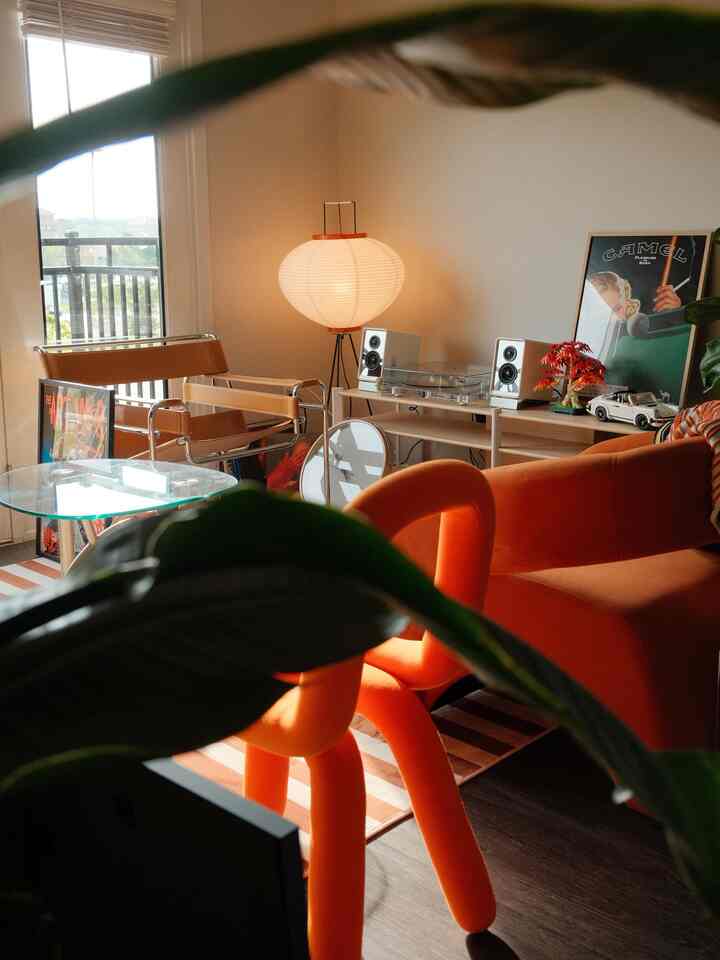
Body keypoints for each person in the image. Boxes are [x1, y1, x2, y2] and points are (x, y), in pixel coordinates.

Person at [588, 271, 682, 365]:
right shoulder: (589, 344)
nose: (613, 318)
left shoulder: (639, 340)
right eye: (603, 313)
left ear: (626, 303)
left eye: (617, 309)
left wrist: (674, 315)